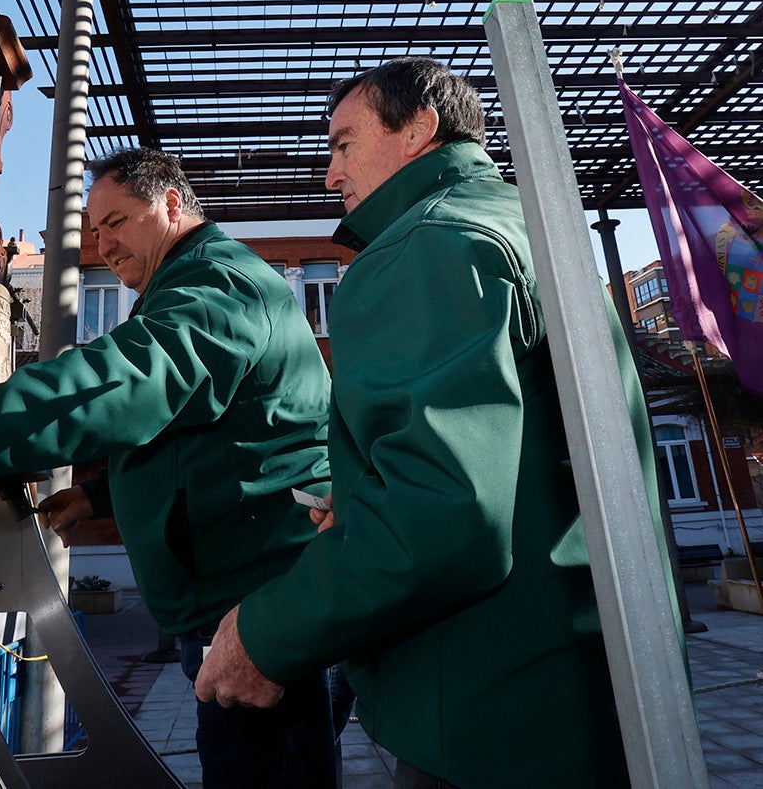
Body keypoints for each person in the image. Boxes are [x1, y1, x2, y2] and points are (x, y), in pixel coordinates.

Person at [195, 57, 670, 788]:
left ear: (418, 130)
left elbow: (441, 518)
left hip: (488, 709)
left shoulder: (425, 243)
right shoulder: (521, 223)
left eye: (344, 143)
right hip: (576, 689)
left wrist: (262, 634)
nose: (330, 173)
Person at [0, 148, 343, 788]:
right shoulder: (194, 285)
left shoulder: (215, 287)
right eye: (94, 229)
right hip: (242, 594)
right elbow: (205, 436)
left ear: (172, 204)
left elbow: (117, 386)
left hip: (256, 605)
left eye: (116, 221)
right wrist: (101, 495)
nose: (103, 244)